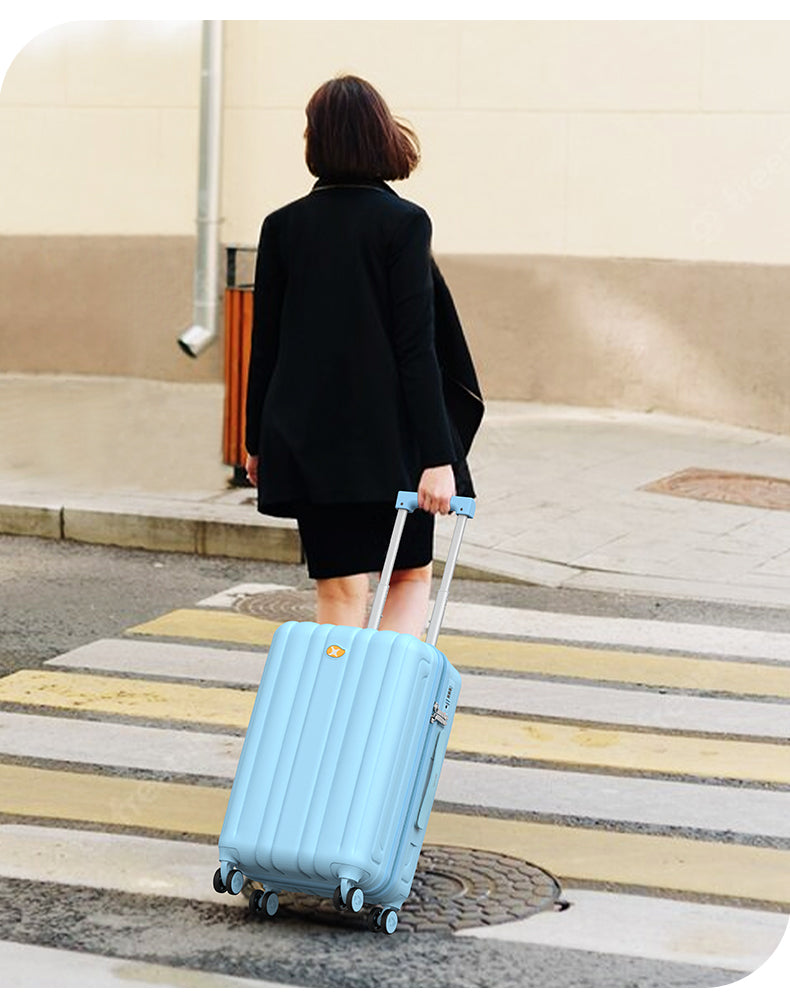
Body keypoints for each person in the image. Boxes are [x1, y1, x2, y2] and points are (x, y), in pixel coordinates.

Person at [244, 75, 484, 637]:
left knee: (340, 589)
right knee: (408, 576)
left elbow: (267, 345)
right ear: (381, 134)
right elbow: (416, 349)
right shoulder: (403, 222)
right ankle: (385, 712)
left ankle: (337, 713)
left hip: (311, 442)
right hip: (392, 442)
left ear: (316, 141)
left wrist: (257, 442)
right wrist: (437, 456)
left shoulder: (282, 227)